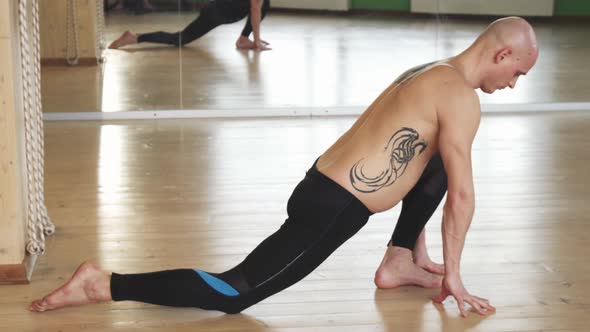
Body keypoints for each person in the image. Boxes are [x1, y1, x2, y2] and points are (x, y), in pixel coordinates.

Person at [31, 16, 538, 317]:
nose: (514, 83)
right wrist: (456, 277)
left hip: (320, 185)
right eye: (517, 72)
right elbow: (464, 199)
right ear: (504, 52)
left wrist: (417, 244)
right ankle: (104, 283)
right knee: (235, 293)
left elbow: (415, 159)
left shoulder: (433, 72)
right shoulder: (462, 100)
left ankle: (399, 259)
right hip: (334, 209)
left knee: (441, 160)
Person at [108, 0, 271, 50]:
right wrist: (257, 41)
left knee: (265, 3)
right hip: (215, 13)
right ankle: (134, 38)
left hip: (224, 11)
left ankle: (243, 39)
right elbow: (255, 8)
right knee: (180, 39)